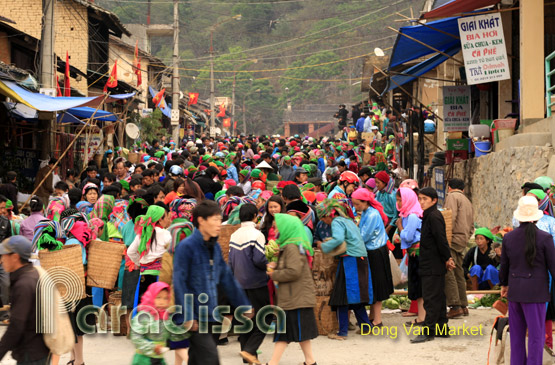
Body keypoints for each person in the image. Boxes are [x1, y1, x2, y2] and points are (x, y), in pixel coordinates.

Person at [173, 200, 251, 364]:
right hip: (193, 315)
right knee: (210, 358)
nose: (219, 224)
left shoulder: (214, 247)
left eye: (219, 220)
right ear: (201, 220)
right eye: (215, 220)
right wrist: (187, 315)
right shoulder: (186, 247)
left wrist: (242, 304)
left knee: (198, 358)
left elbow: (227, 278)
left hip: (210, 314)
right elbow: (179, 282)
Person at [500, 196, 555, 364]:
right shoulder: (545, 238)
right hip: (536, 294)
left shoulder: (508, 238)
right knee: (536, 337)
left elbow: (504, 266)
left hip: (515, 292)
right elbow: (553, 267)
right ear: (537, 216)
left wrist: (504, 285)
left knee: (516, 337)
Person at [316, 199, 372, 340]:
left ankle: (342, 332)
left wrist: (324, 247)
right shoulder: (347, 220)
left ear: (329, 215)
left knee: (342, 296)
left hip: (350, 260)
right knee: (356, 297)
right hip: (360, 259)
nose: (323, 221)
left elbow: (338, 239)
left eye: (323, 217)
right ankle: (366, 327)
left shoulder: (337, 222)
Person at [266, 214, 317, 365]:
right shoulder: (292, 245)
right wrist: (277, 266)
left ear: (286, 228)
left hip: (296, 298)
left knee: (284, 333)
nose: (275, 231)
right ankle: (310, 361)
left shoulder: (291, 247)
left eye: (277, 227)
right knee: (297, 333)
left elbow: (293, 271)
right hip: (295, 297)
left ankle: (273, 363)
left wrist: (274, 274)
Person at [411, 187, 455, 343]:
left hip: (432, 264)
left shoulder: (434, 216)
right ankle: (442, 329)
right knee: (438, 297)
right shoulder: (429, 216)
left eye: (425, 199)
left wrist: (447, 257)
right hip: (431, 263)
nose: (421, 202)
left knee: (430, 298)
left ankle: (428, 330)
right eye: (420, 199)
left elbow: (441, 240)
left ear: (434, 200)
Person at [229, 204, 270, 364]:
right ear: (255, 216)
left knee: (245, 321)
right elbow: (259, 259)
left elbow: (231, 261)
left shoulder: (234, 235)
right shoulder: (257, 234)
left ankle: (249, 357)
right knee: (264, 318)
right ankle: (250, 350)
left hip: (238, 284)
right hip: (256, 283)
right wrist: (269, 264)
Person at [0, 236, 50, 364]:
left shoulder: (23, 284)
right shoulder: (32, 274)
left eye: (4, 255)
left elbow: (16, 326)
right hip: (37, 351)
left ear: (15, 257)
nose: (1, 260)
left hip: (31, 354)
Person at [351, 188, 393, 327]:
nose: (356, 207)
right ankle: (372, 316)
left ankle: (378, 320)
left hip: (376, 253)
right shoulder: (367, 212)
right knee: (373, 284)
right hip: (373, 251)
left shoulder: (371, 215)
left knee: (377, 285)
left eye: (357, 204)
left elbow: (364, 236)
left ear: (365, 202)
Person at [130, 282, 187, 365]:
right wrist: (152, 348)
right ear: (151, 297)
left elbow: (173, 333)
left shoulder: (165, 316)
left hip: (158, 358)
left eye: (165, 298)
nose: (162, 302)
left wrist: (186, 330)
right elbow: (135, 337)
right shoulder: (144, 316)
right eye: (158, 298)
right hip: (143, 359)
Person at [127, 204, 173, 301]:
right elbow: (173, 251)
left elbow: (130, 252)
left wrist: (140, 263)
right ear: (160, 219)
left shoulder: (142, 234)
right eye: (165, 216)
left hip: (144, 275)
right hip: (160, 276)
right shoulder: (166, 234)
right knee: (158, 305)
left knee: (145, 304)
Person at [443, 178, 474, 319]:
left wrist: (445, 240)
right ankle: (463, 305)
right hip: (463, 240)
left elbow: (450, 218)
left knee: (449, 272)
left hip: (453, 239)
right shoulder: (467, 201)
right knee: (459, 273)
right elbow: (472, 226)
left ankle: (455, 306)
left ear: (449, 187)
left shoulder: (452, 197)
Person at [395, 187, 425, 325]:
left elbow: (408, 236)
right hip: (412, 253)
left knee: (419, 287)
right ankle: (421, 317)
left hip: (417, 254)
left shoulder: (412, 216)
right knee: (416, 287)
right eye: (397, 200)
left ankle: (422, 318)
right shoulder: (406, 215)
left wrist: (400, 227)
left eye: (400, 200)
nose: (399, 203)